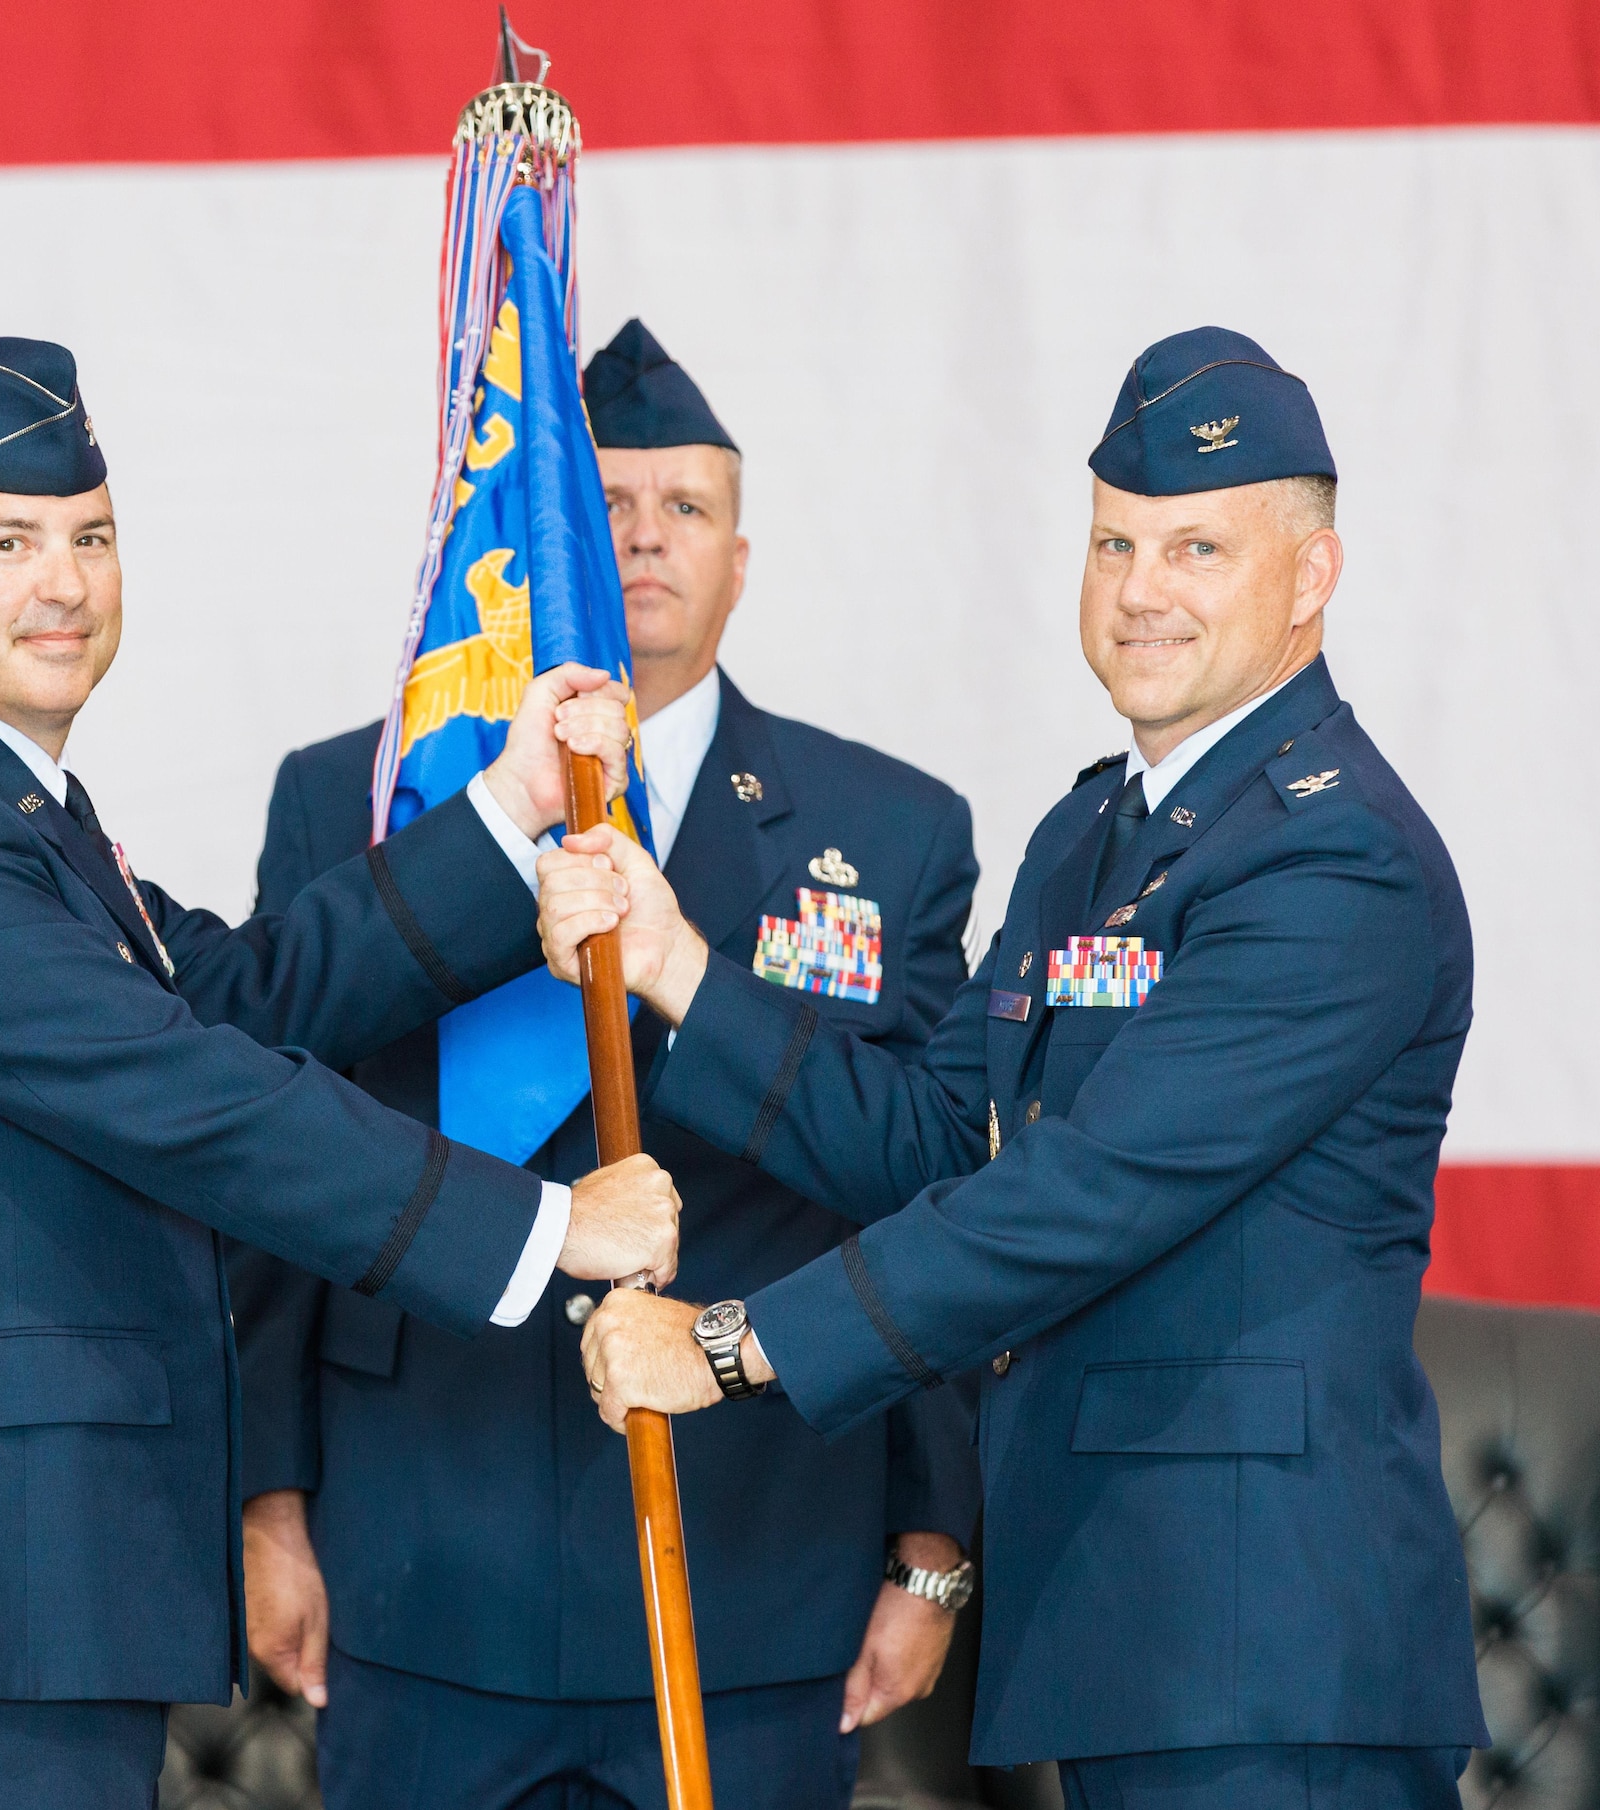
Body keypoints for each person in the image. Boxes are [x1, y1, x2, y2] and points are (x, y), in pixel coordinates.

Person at [545, 326, 1487, 1809]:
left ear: (1311, 579)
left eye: (1197, 549)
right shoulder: (1095, 835)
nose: (1142, 591)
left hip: (1272, 1654)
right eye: (1116, 543)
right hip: (1136, 1636)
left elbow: (1080, 1194)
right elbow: (939, 1137)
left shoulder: (1334, 856)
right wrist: (677, 969)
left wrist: (731, 1345)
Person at [0, 337, 681, 1810]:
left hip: (41, 1603)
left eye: (91, 536)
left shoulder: (21, 816)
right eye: (8, 543)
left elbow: (253, 993)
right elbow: (190, 1091)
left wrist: (506, 809)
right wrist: (548, 1227)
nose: (63, 581)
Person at [232, 319, 983, 1810]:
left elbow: (928, 1188)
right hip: (423, 1556)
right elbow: (271, 1156)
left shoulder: (892, 833)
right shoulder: (363, 800)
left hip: (751, 1568)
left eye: (684, 509)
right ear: (543, 537)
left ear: (742, 555)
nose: (642, 543)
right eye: (607, 509)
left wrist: (934, 1540)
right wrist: (266, 1496)